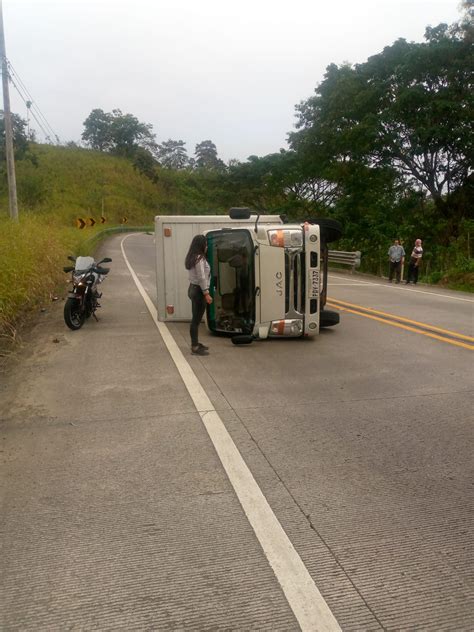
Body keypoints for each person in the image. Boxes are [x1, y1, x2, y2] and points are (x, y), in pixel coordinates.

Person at [185, 235, 213, 355]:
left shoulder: (192, 257)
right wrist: (206, 293)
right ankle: (195, 346)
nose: (207, 246)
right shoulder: (199, 259)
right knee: (196, 320)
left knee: (195, 319)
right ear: (201, 245)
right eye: (206, 244)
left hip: (193, 288)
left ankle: (195, 343)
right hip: (198, 291)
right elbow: (201, 277)